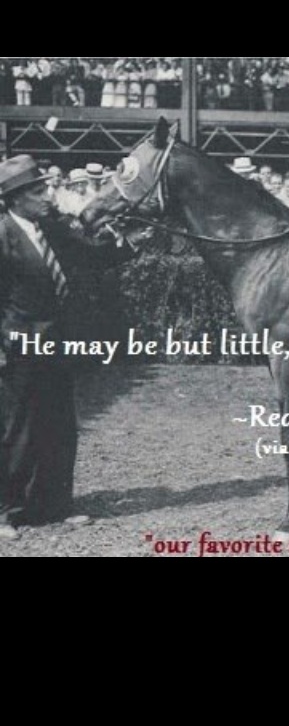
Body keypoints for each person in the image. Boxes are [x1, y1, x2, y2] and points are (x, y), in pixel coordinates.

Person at [0, 155, 139, 540]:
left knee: (60, 424)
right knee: (17, 428)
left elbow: (92, 255)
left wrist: (131, 243)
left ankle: (54, 505)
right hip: (20, 345)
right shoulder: (3, 234)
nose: (47, 196)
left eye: (45, 188)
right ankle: (5, 511)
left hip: (57, 341)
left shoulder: (51, 228)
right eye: (37, 192)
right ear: (16, 199)